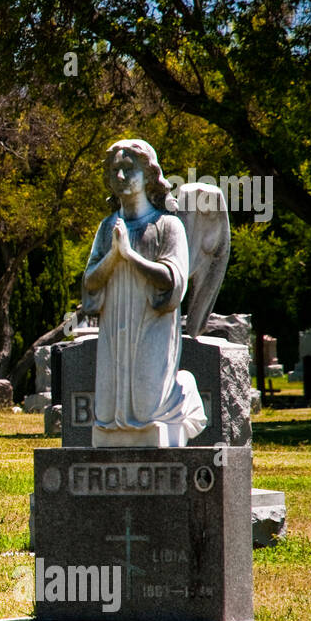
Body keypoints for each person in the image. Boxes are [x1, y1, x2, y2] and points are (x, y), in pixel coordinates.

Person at [82, 139, 206, 447]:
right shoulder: (107, 226)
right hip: (116, 323)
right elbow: (90, 283)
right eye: (115, 171)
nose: (121, 177)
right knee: (109, 411)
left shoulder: (168, 226)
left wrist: (130, 256)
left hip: (152, 322)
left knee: (148, 407)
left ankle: (183, 390)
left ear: (149, 174)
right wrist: (113, 256)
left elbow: (172, 279)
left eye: (128, 169)